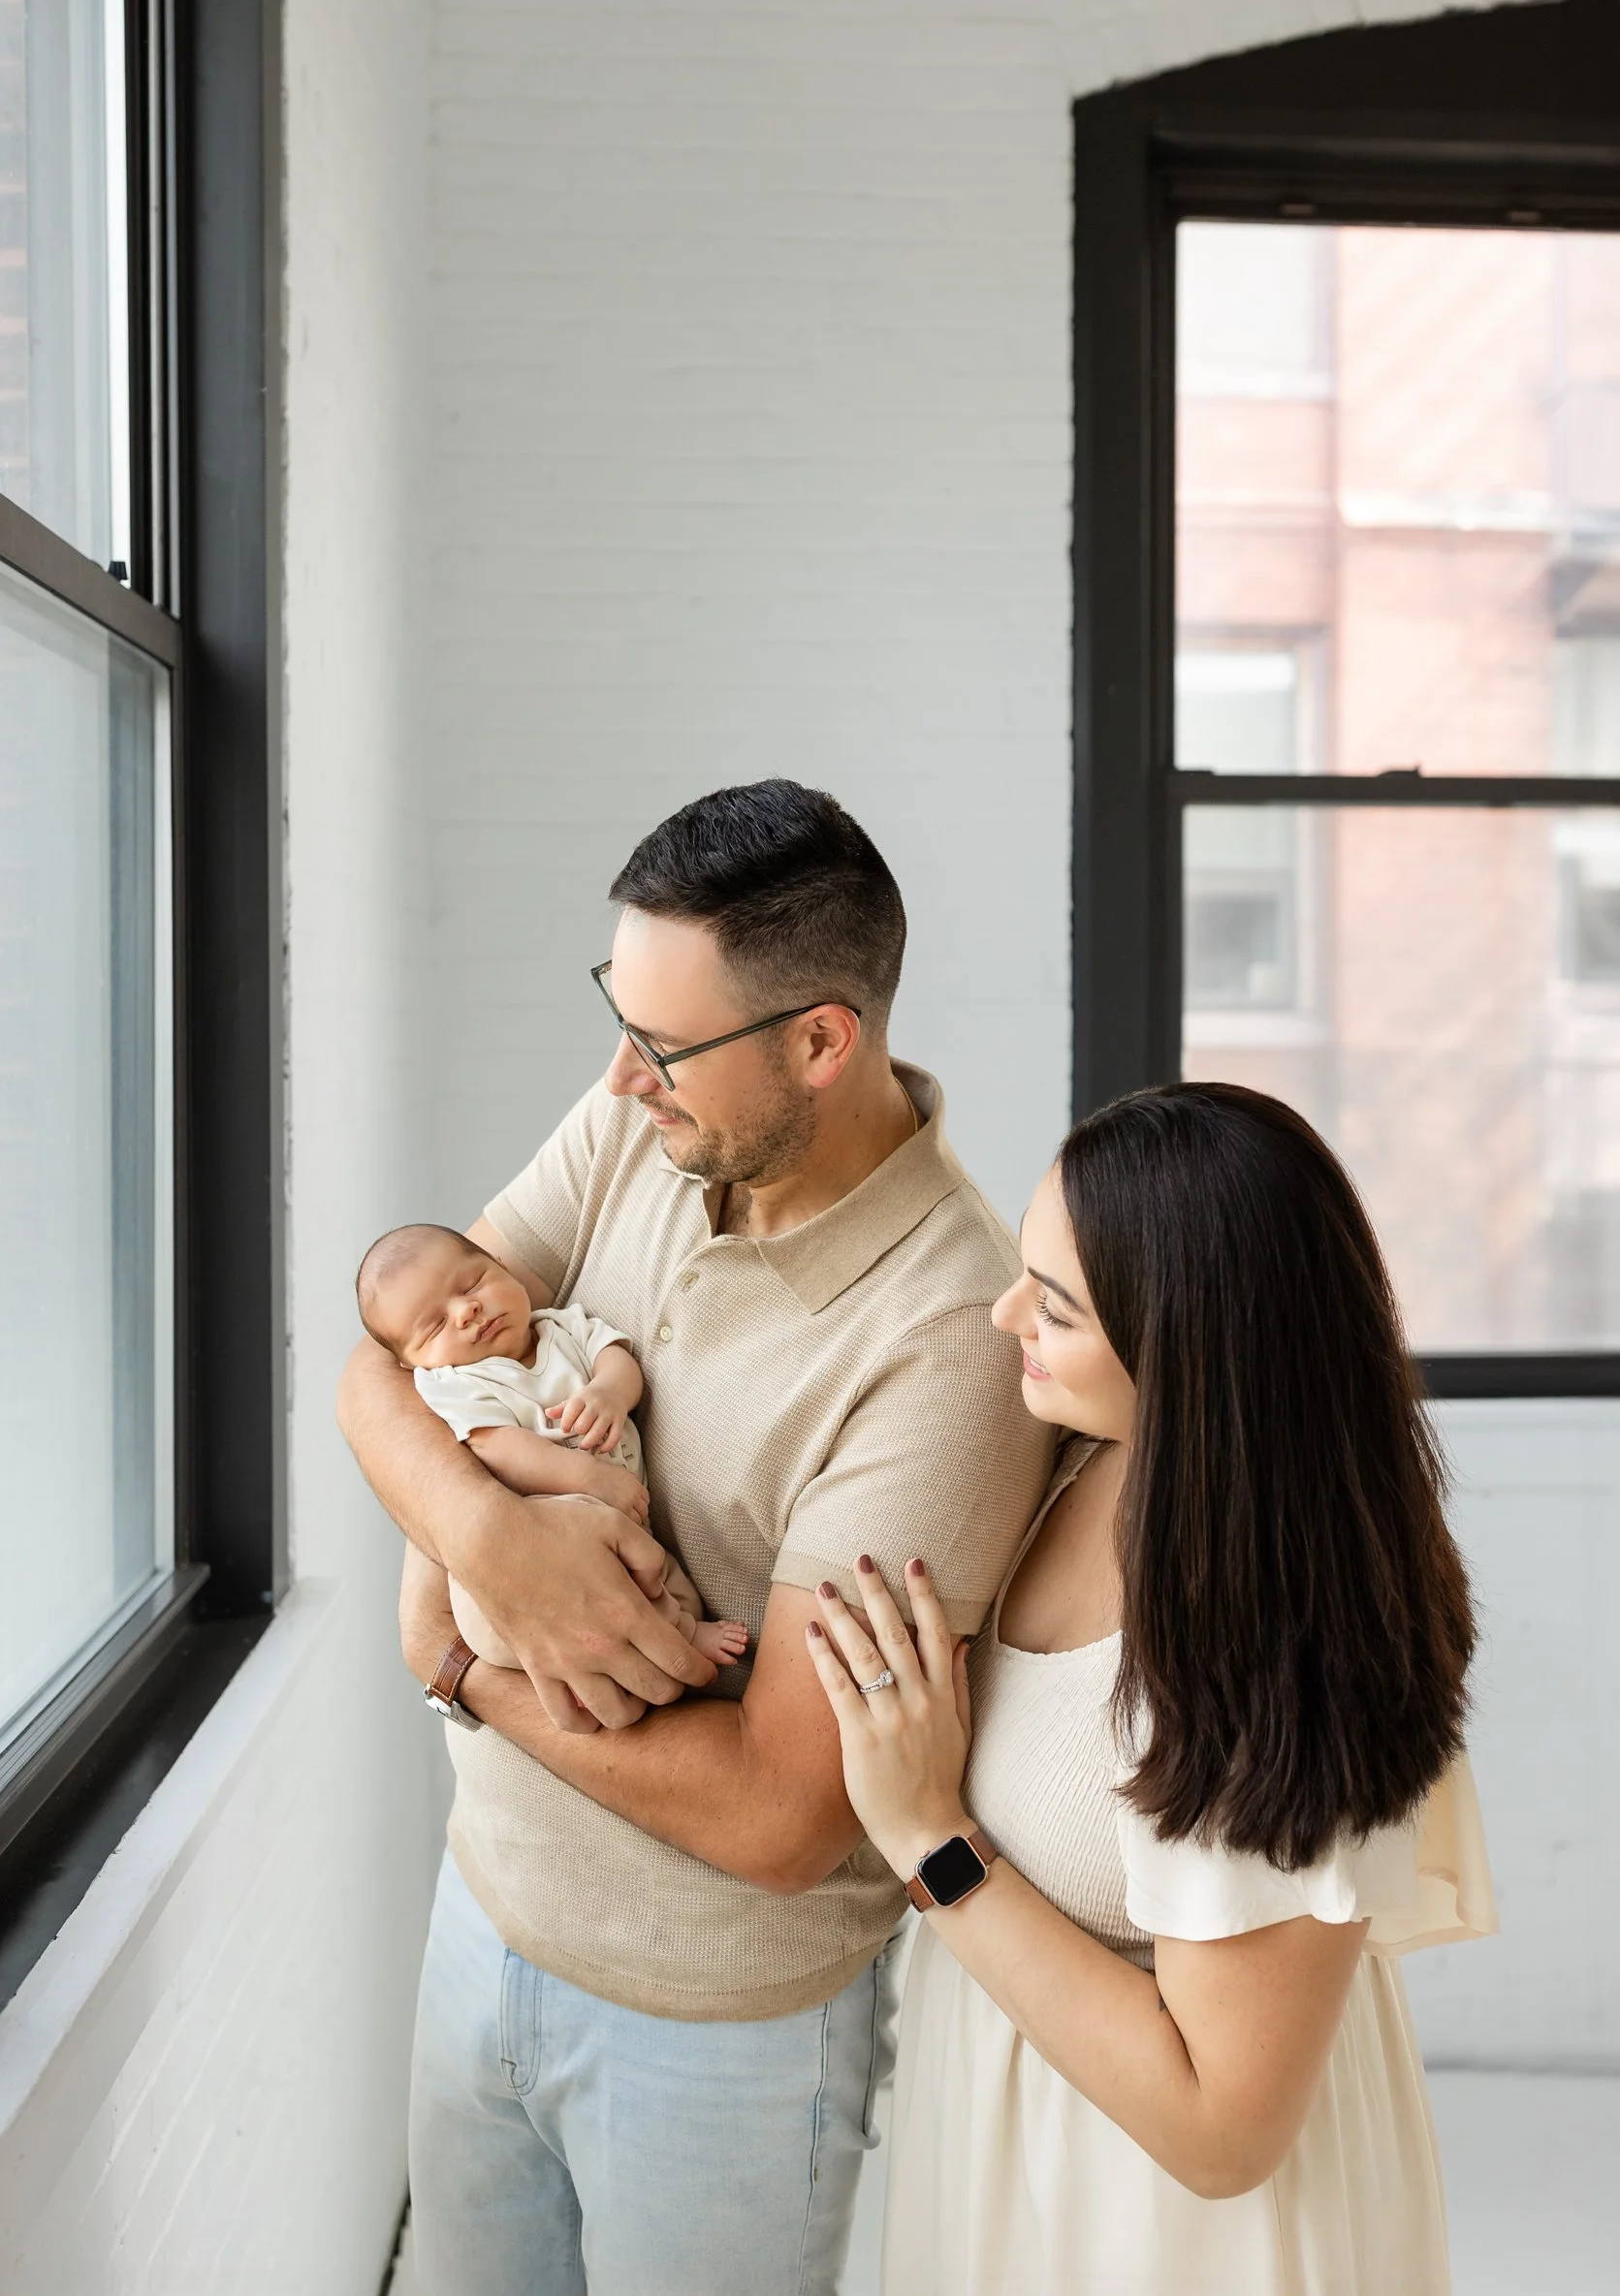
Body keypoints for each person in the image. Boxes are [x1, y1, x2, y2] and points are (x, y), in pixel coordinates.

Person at [336, 779, 1055, 2296]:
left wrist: (460, 1665)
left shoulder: (946, 1340)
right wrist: (485, 1528)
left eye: (663, 1046)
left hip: (721, 2039)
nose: (618, 1073)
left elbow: (782, 1818)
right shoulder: (644, 1123)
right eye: (620, 1012)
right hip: (478, 1916)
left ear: (818, 1040)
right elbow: (386, 1357)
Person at [809, 1082, 1497, 2295]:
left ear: (1190, 1351)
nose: (1002, 1310)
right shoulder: (1085, 1460)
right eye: (1028, 1269)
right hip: (1017, 2164)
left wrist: (932, 1839)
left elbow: (1222, 2130)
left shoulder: (1276, 1641)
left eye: (1056, 1307)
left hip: (1175, 2236)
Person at [355, 1221, 747, 1672]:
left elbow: (615, 1360)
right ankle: (676, 1639)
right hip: (529, 1556)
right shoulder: (454, 1382)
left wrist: (610, 1393)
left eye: (473, 1282)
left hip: (619, 1527)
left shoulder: (565, 1327)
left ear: (502, 1265)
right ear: (411, 1362)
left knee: (659, 1576)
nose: (466, 1311)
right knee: (623, 1578)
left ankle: (678, 1632)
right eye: (435, 1325)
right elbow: (497, 1446)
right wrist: (588, 1477)